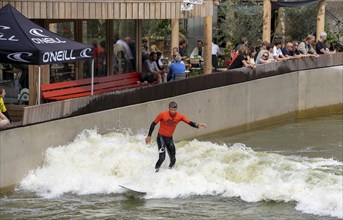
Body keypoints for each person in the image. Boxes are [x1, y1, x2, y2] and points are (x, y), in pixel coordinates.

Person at [145, 101, 206, 172]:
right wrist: (149, 136)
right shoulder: (162, 114)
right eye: (171, 110)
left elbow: (189, 122)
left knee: (173, 159)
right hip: (161, 137)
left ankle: (170, 172)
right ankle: (155, 171)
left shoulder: (180, 116)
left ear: (176, 109)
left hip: (169, 139)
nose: (172, 111)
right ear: (169, 109)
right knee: (162, 158)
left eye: (174, 110)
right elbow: (153, 124)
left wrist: (197, 125)